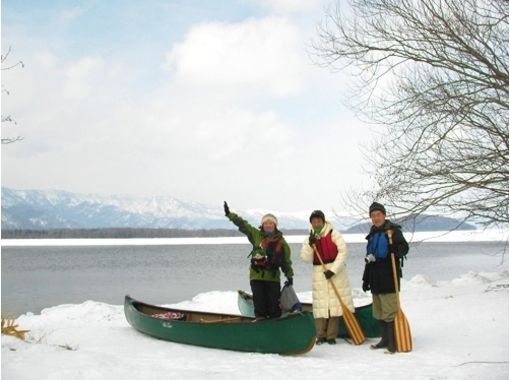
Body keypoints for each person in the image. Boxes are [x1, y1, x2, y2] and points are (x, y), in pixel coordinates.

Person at [224, 201, 293, 320]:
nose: (268, 225)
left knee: (273, 307)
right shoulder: (256, 235)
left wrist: (289, 275)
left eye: (271, 223)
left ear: (275, 225)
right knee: (260, 306)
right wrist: (230, 215)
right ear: (262, 225)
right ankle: (260, 324)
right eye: (266, 223)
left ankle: (275, 326)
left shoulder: (282, 242)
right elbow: (243, 225)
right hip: (256, 277)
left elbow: (286, 261)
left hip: (272, 278)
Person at [300, 210, 355, 345]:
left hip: (336, 272)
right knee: (321, 304)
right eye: (314, 221)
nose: (316, 223)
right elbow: (305, 258)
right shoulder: (309, 238)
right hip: (319, 272)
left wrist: (333, 270)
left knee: (334, 304)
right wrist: (309, 245)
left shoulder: (334, 234)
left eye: (319, 220)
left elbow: (343, 252)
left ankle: (331, 336)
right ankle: (320, 335)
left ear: (323, 221)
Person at [362, 202, 409, 354]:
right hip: (375, 276)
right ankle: (384, 339)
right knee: (379, 311)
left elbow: (404, 248)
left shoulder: (393, 231)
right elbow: (369, 258)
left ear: (384, 215)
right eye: (373, 215)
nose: (376, 218)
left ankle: (393, 341)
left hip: (389, 275)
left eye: (378, 215)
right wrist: (366, 279)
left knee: (389, 310)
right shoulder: (373, 234)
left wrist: (394, 249)